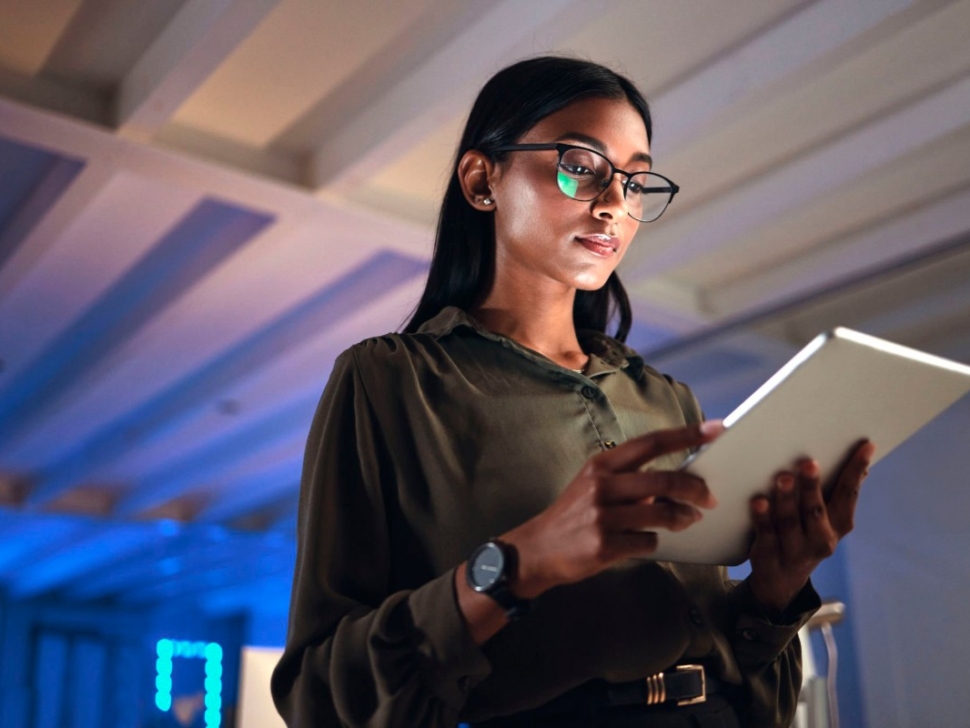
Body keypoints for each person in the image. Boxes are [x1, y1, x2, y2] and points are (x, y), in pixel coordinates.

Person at [270, 56, 873, 728]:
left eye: (635, 180)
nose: (615, 202)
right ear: (482, 179)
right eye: (582, 165)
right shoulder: (389, 382)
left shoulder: (667, 400)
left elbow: (742, 676)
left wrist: (773, 589)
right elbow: (316, 696)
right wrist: (518, 564)